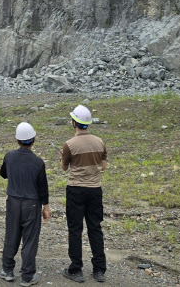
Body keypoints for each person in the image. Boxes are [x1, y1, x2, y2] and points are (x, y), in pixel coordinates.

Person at [60, 104, 107, 283]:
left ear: (74, 123)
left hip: (76, 190)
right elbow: (103, 167)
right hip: (95, 190)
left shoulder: (69, 145)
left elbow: (64, 167)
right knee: (95, 228)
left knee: (75, 229)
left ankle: (76, 269)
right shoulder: (100, 142)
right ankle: (99, 269)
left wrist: (64, 159)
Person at [0, 122, 50, 286]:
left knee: (11, 235)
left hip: (13, 201)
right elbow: (43, 188)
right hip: (32, 204)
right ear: (33, 139)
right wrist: (46, 206)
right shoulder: (38, 162)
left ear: (17, 139)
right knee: (30, 239)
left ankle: (7, 270)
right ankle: (27, 276)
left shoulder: (9, 157)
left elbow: (3, 174)